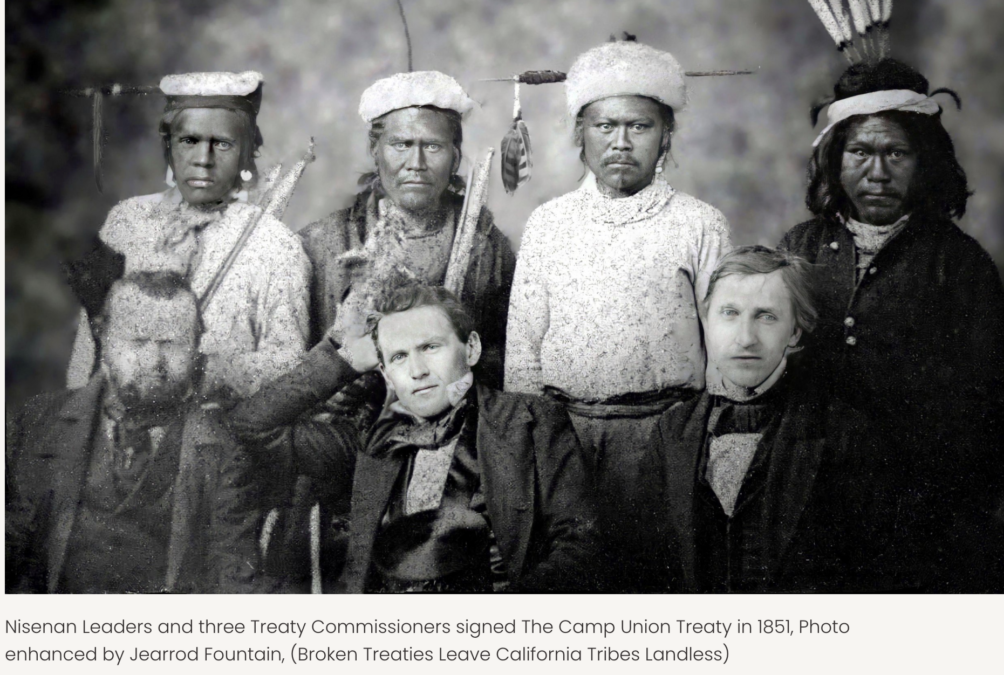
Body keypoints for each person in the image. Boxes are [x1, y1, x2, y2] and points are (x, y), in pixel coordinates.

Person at [780, 58, 1004, 591]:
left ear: (925, 162)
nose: (879, 172)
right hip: (812, 502)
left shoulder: (958, 264)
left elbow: (986, 409)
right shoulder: (802, 249)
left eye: (897, 153)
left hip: (921, 509)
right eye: (861, 152)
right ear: (834, 160)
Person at [503, 37, 731, 587]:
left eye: (640, 126)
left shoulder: (699, 224)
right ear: (579, 134)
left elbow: (723, 347)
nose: (621, 143)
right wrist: (532, 444)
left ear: (666, 136)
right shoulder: (549, 224)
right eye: (605, 126)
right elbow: (523, 346)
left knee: (660, 580)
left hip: (667, 438)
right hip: (565, 438)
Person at [231, 283, 601, 592]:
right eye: (399, 357)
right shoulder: (371, 440)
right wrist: (345, 360)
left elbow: (582, 546)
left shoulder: (530, 422)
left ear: (470, 348)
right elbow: (251, 424)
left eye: (430, 347)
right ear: (386, 373)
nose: (418, 371)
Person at [643, 246, 897, 592]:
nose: (745, 338)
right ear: (707, 321)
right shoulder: (673, 432)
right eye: (729, 313)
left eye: (766, 317)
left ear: (794, 331)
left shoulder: (844, 434)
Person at [7, 270, 261, 593]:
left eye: (172, 344)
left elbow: (236, 584)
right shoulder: (36, 424)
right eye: (138, 341)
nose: (153, 361)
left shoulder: (220, 451)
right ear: (104, 338)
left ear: (197, 348)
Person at [66, 70, 311, 399]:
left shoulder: (277, 245)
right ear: (169, 146)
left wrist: (201, 369)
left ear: (246, 151)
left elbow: (292, 368)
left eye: (222, 144)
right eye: (189, 141)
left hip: (212, 437)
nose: (203, 160)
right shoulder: (128, 220)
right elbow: (89, 349)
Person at [300, 70, 516, 432]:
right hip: (346, 438)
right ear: (375, 150)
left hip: (454, 433)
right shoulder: (323, 242)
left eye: (432, 146)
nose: (416, 163)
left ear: (456, 155)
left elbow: (505, 356)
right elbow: (300, 366)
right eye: (401, 145)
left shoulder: (488, 248)